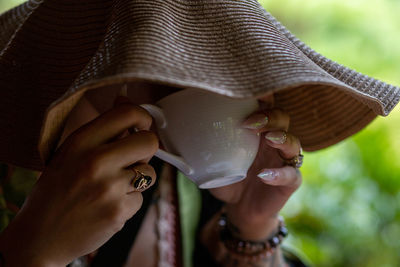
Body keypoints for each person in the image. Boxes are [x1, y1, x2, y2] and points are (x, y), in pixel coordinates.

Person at [0, 1, 399, 267]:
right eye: (187, 67)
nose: (247, 95)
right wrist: (33, 252)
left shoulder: (179, 182)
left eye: (250, 74)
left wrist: (252, 225)